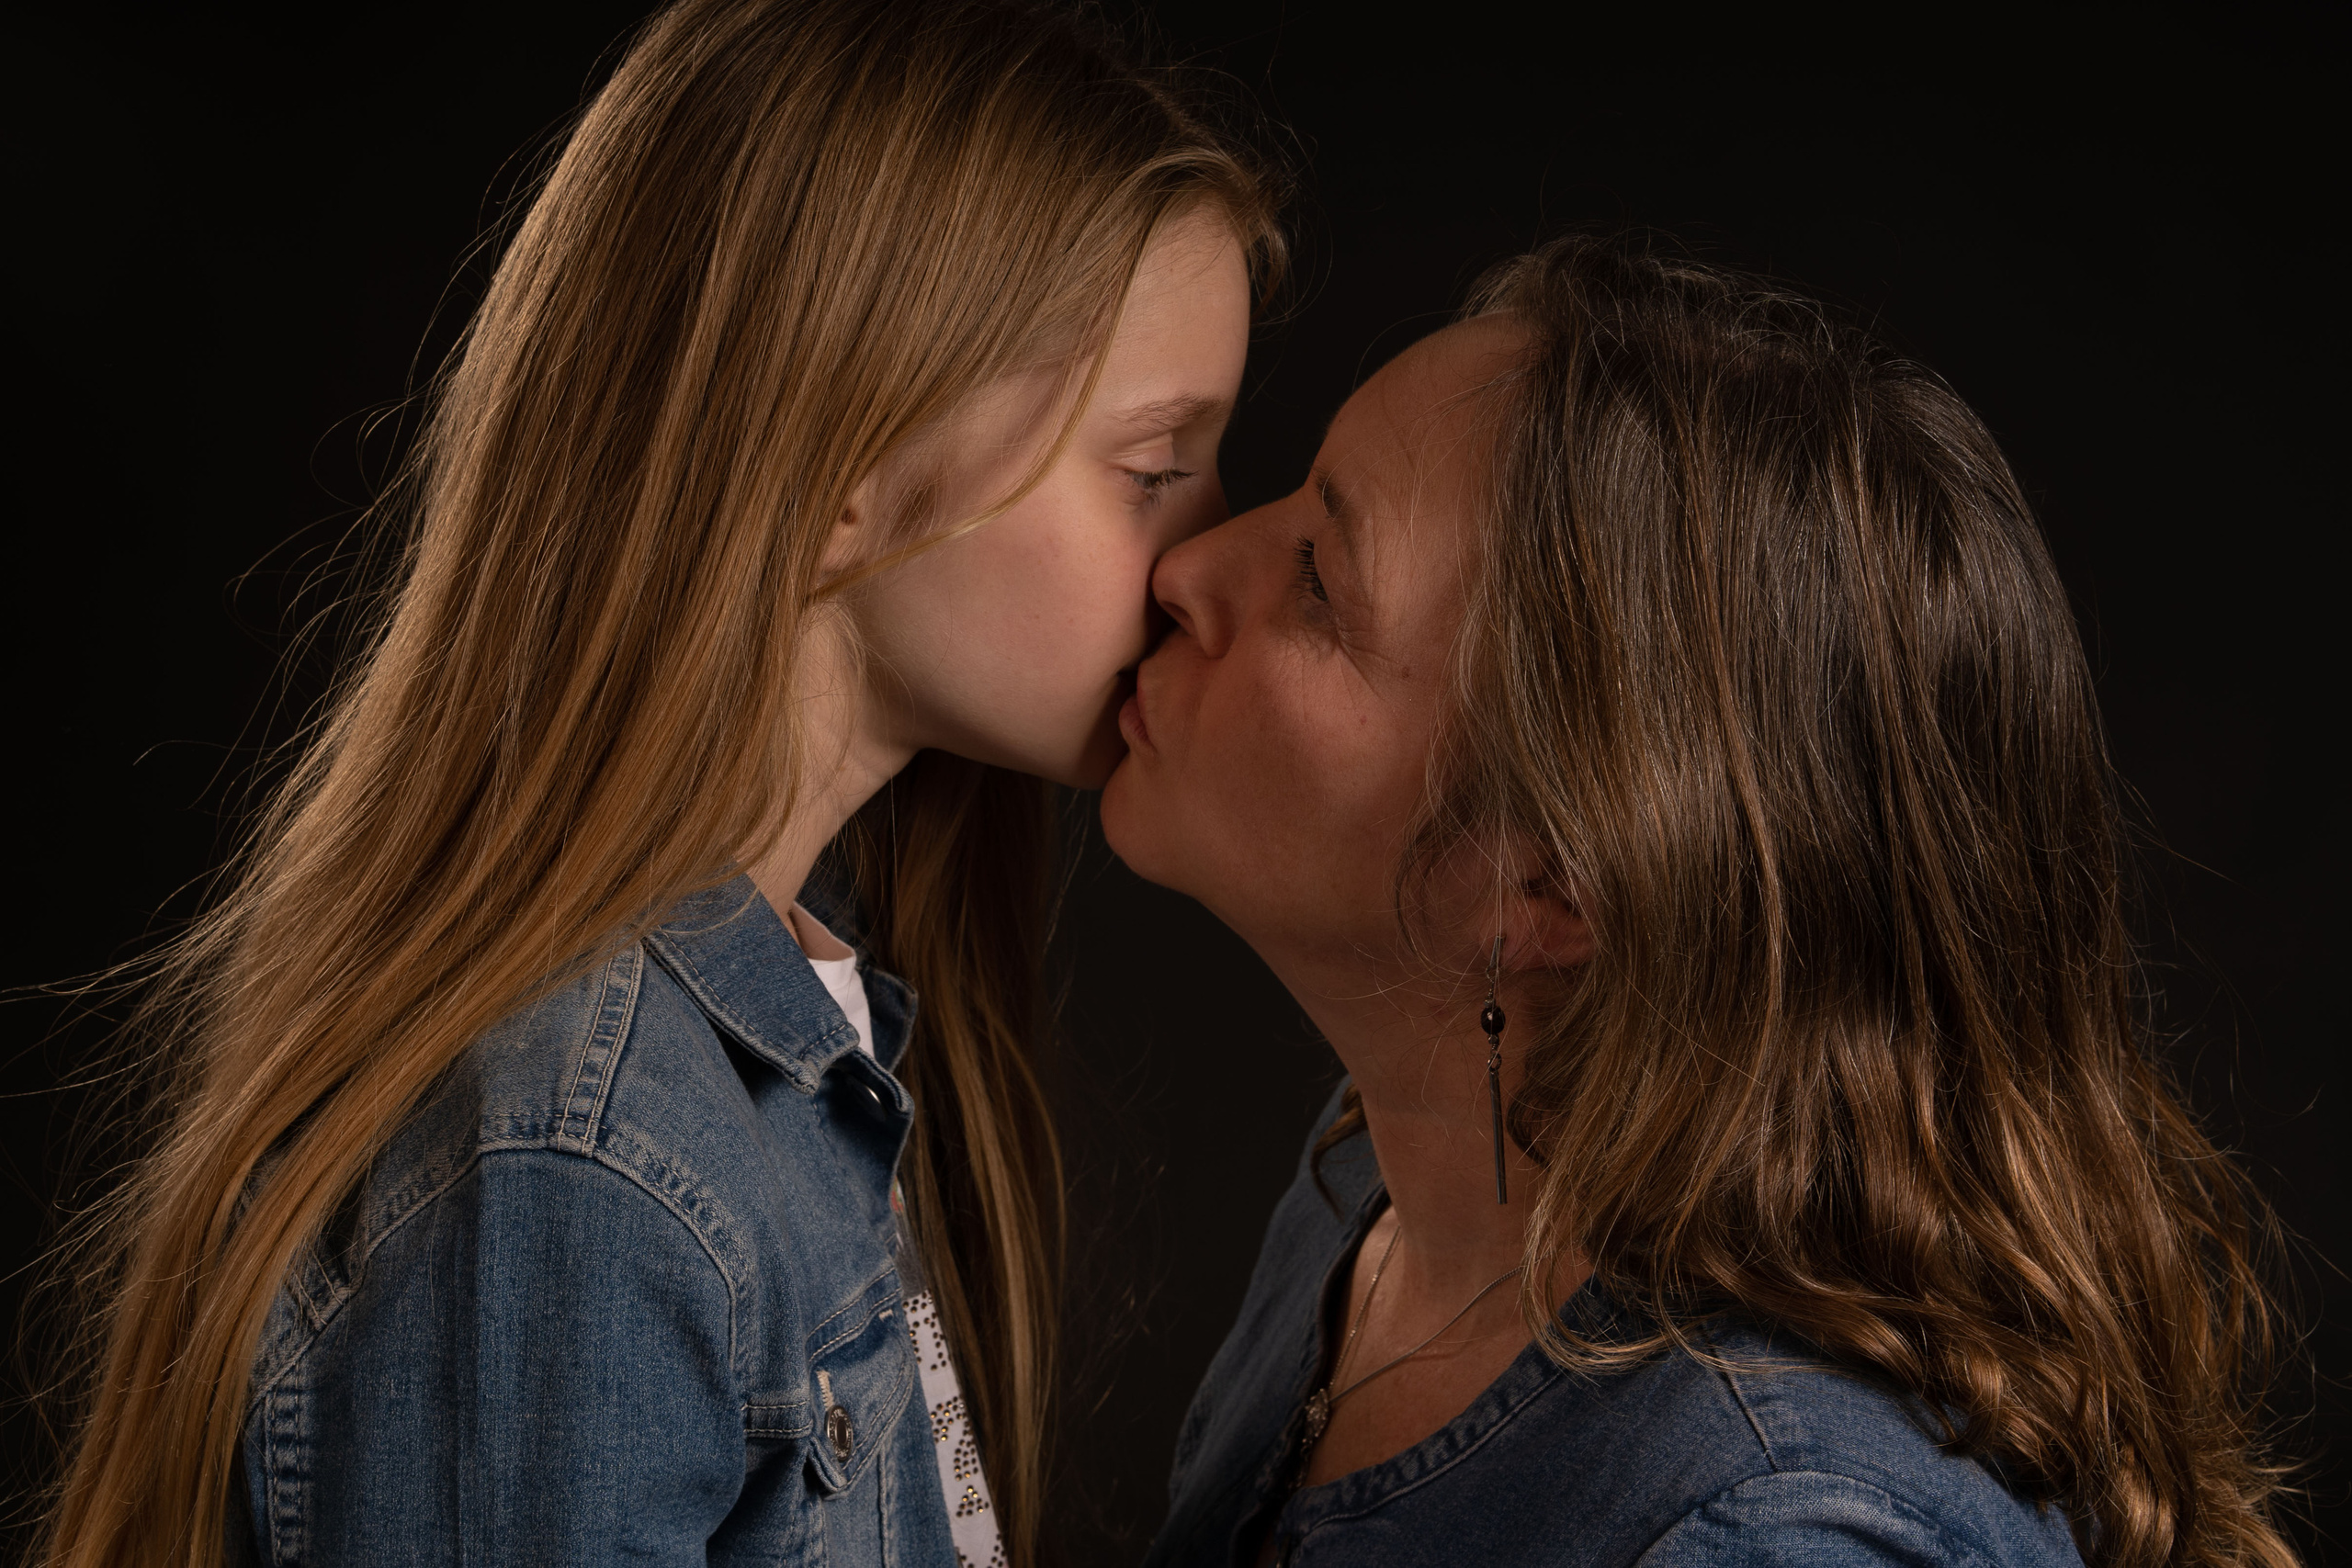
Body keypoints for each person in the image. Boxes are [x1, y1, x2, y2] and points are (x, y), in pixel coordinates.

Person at [39, 2, 1278, 1563]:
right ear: (838, 468)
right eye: (1156, 469)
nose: (1211, 552)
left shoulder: (782, 1050)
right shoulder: (583, 1163)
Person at [1105, 236, 2295, 1567]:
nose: (1187, 571)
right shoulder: (1378, 1186)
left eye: (1322, 581)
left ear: (1549, 883)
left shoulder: (1782, 1537)